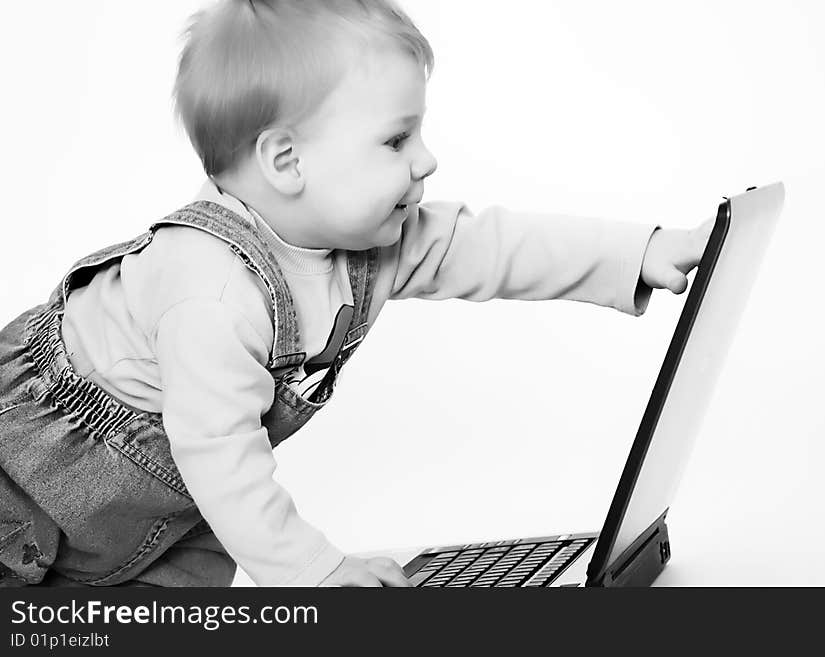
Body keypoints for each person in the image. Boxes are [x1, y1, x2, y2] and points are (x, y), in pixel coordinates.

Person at [0, 0, 711, 587]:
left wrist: (639, 253)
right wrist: (317, 570)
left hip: (169, 507)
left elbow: (491, 245)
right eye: (396, 140)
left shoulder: (371, 242)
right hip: (31, 478)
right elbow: (220, 456)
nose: (426, 160)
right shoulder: (209, 292)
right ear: (287, 161)